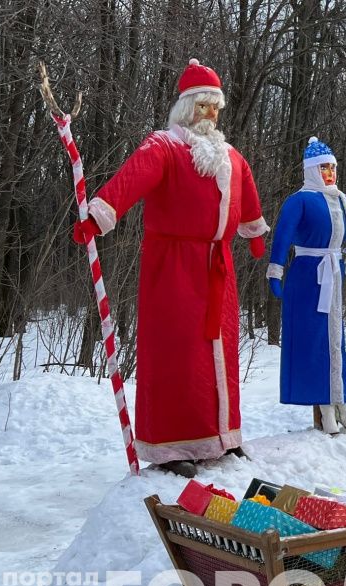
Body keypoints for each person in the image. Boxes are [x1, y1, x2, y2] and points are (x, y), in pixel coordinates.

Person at [72, 59, 269, 477]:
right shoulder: (163, 146)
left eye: (215, 107)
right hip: (173, 268)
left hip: (218, 265)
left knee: (220, 351)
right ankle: (170, 445)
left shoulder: (230, 155)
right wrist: (101, 213)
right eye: (203, 105)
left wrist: (253, 232)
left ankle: (222, 436)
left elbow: (246, 189)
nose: (210, 115)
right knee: (178, 351)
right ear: (185, 108)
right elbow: (132, 178)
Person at [268, 137, 346, 434]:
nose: (330, 173)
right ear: (312, 170)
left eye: (332, 167)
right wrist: (275, 272)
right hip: (307, 278)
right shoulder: (299, 201)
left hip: (335, 273)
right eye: (323, 168)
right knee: (314, 342)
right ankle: (324, 407)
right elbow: (282, 237)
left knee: (335, 341)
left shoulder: (344, 201)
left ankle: (341, 402)